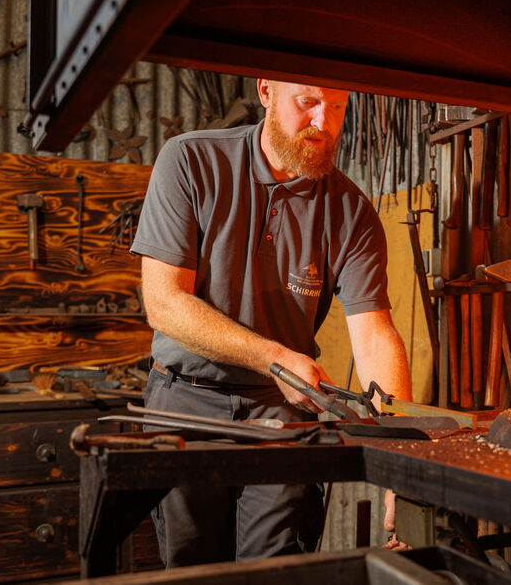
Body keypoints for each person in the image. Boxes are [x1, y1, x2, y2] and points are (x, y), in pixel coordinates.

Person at [130, 78, 412, 567]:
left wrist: (400, 467)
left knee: (278, 567)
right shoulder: (191, 161)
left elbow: (374, 335)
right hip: (184, 401)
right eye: (308, 103)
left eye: (338, 108)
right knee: (193, 571)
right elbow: (164, 302)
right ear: (265, 91)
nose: (324, 124)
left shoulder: (351, 212)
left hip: (278, 415)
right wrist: (276, 359)